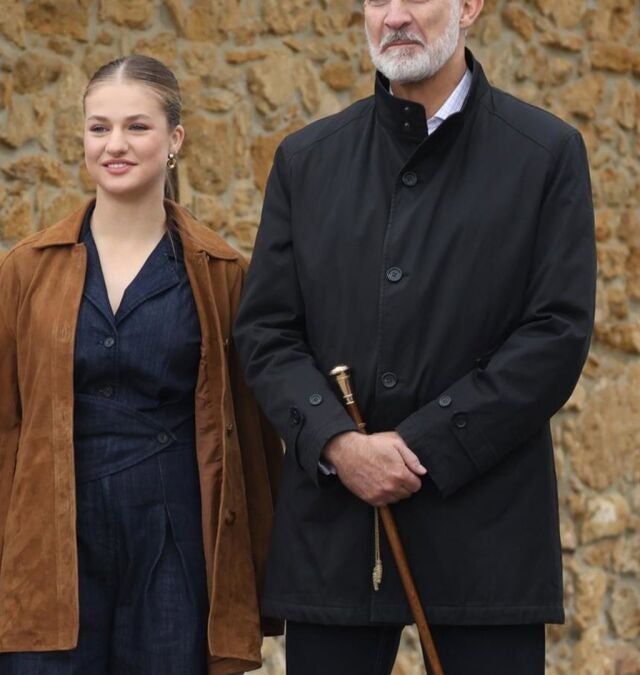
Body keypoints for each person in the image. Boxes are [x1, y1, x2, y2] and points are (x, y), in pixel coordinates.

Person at [233, 0, 596, 672]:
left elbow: (555, 335)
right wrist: (339, 445)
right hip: (334, 536)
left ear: (469, 7)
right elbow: (266, 332)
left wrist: (419, 446)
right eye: (377, 0)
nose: (394, 15)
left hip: (486, 533)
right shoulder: (306, 160)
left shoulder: (545, 154)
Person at [0, 55, 282, 674]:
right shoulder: (28, 268)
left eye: (137, 127)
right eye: (99, 128)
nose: (115, 145)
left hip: (175, 541)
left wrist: (257, 585)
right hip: (45, 546)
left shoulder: (222, 274)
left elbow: (253, 439)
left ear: (175, 139)